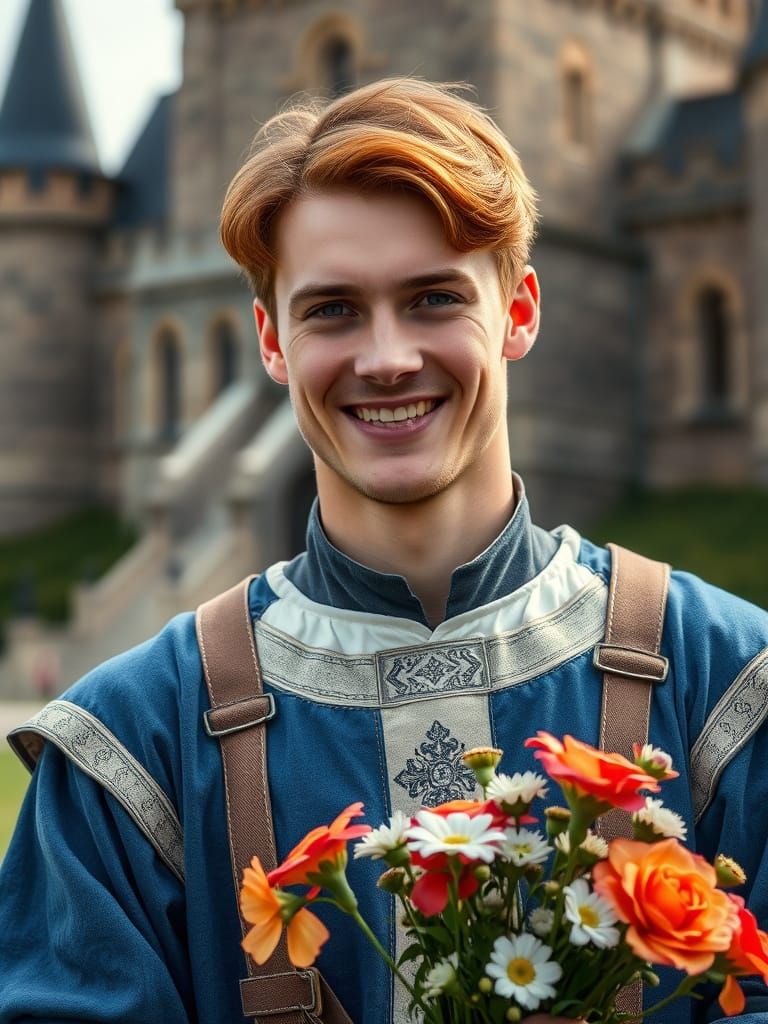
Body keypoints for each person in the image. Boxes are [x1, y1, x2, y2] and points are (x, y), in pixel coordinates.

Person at [1, 77, 767, 1024]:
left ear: (519, 310)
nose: (387, 356)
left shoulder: (734, 685)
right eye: (332, 311)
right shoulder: (131, 748)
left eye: (434, 297)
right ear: (272, 341)